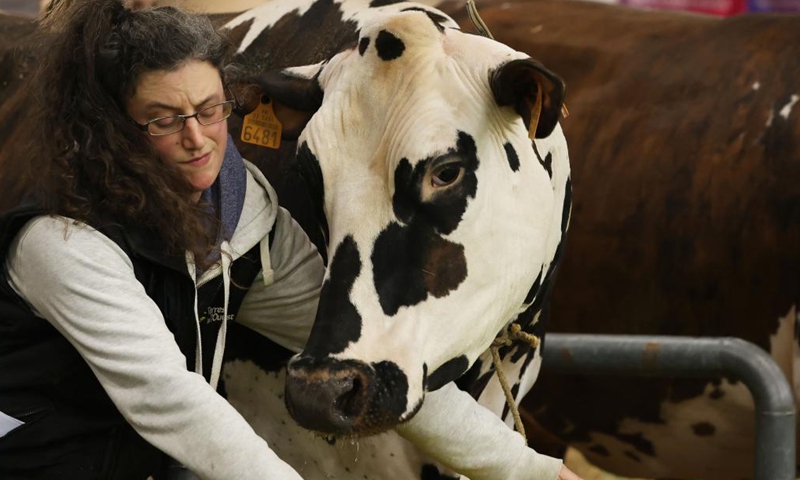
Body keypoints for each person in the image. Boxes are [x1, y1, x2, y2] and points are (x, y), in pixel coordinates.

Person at [0, 1, 584, 479]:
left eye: (210, 109)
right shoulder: (62, 243)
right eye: (163, 118)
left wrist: (532, 470)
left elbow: (361, 350)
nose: (199, 139)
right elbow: (168, 399)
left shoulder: (239, 217)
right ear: (113, 128)